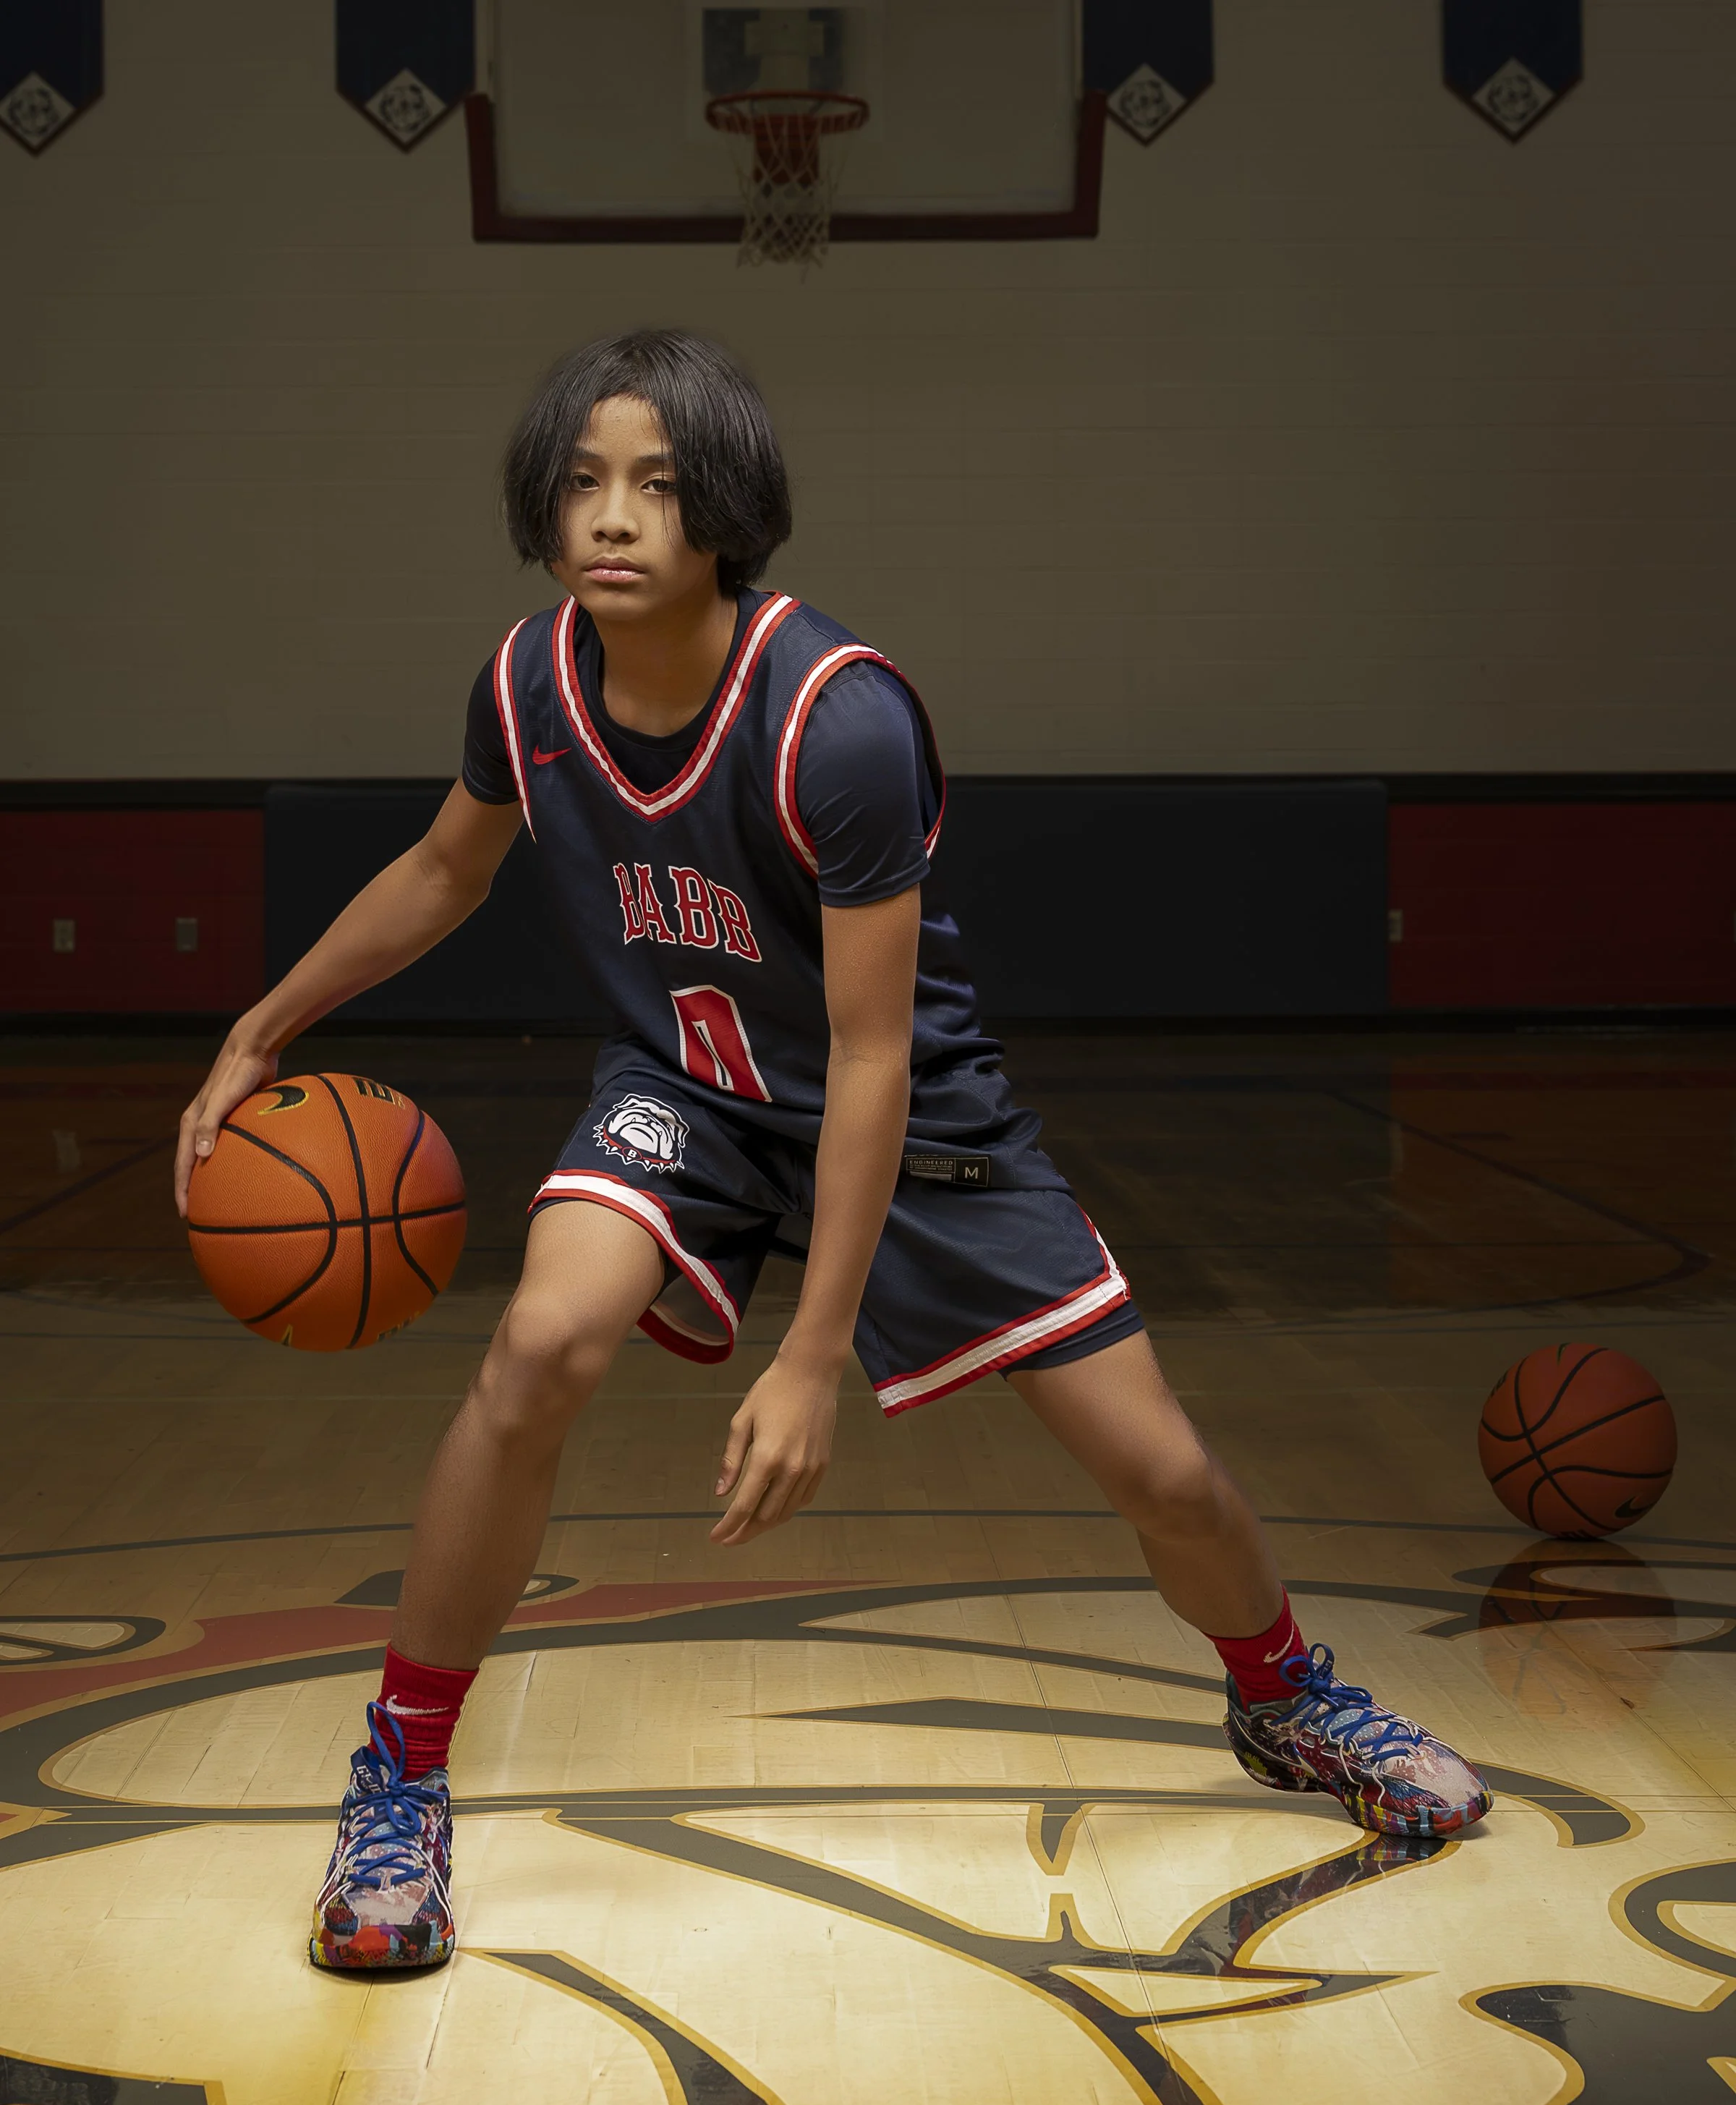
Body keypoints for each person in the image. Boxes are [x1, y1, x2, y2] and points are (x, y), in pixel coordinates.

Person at [174, 329, 1490, 1974]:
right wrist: (265, 1025)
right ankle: (401, 1777)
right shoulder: (527, 684)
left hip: (910, 1115)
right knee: (536, 1344)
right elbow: (445, 871)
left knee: (1163, 1473)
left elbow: (870, 1056)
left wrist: (810, 1360)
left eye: (656, 484)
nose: (614, 516)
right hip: (688, 1090)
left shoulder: (834, 716)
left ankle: (1290, 1697)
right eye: (583, 481)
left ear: (725, 506)